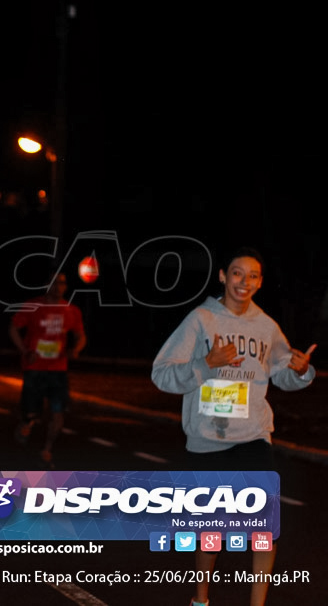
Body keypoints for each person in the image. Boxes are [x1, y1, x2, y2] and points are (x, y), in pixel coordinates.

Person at [151, 247, 316, 606]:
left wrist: (300, 371)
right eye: (238, 273)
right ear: (224, 276)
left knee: (264, 527)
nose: (245, 282)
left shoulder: (266, 326)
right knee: (213, 532)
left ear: (260, 282)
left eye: (253, 275)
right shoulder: (201, 320)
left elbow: (282, 372)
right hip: (208, 438)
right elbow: (161, 374)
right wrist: (204, 364)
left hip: (254, 435)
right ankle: (201, 598)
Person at [8, 269, 86, 464]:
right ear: (47, 286)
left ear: (65, 287)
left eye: (62, 283)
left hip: (58, 368)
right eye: (54, 283)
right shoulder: (33, 306)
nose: (58, 287)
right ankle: (27, 420)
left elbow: (80, 336)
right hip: (34, 367)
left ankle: (47, 448)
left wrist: (76, 349)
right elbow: (13, 328)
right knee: (31, 410)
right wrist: (25, 351)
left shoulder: (72, 311)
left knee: (58, 411)